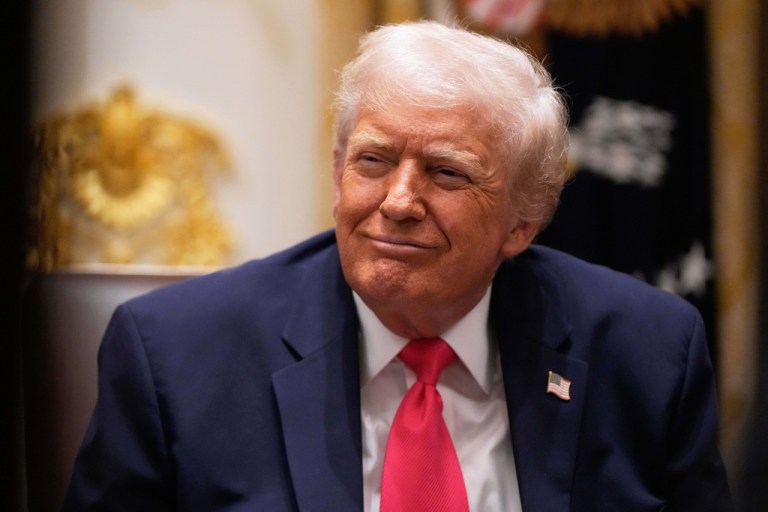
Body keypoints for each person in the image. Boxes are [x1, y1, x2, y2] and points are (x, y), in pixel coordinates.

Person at [62, 21, 732, 511]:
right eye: (374, 162)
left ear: (523, 221)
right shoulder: (176, 356)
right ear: (336, 173)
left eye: (446, 172)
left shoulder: (646, 353)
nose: (400, 201)